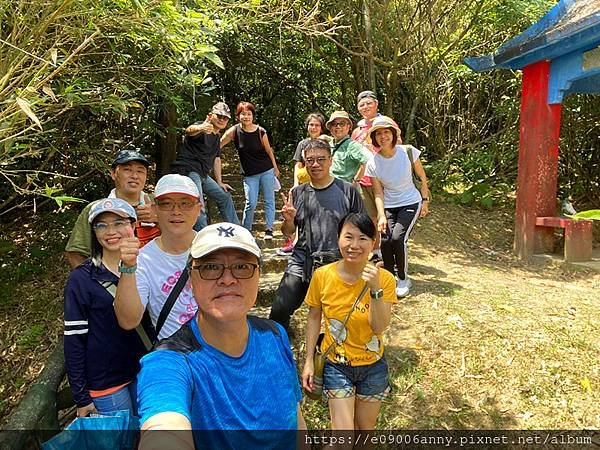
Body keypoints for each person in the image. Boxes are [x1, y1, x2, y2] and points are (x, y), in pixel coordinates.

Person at [137, 223, 305, 450]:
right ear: (190, 279)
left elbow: (295, 417)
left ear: (258, 275)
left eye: (242, 266)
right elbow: (164, 429)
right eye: (211, 267)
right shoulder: (170, 361)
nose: (227, 279)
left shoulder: (275, 335)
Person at [302, 212, 396, 430]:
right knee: (343, 439)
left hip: (373, 366)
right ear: (338, 238)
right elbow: (314, 316)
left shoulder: (385, 280)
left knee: (365, 432)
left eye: (363, 238)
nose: (355, 245)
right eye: (348, 237)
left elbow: (379, 327)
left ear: (374, 243)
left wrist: (375, 290)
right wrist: (308, 360)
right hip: (336, 366)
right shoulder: (323, 275)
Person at [268, 139, 365, 333]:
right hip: (303, 260)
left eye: (321, 159)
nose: (315, 164)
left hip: (337, 261)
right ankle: (281, 350)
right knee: (279, 310)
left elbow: (362, 231)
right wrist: (288, 220)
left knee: (341, 318)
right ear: (304, 163)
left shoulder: (348, 191)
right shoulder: (297, 193)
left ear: (331, 161)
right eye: (310, 160)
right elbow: (288, 233)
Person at [64, 198, 147, 417]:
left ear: (134, 225)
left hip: (144, 370)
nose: (110, 231)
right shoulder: (82, 279)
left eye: (119, 223)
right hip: (106, 380)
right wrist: (81, 396)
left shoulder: (147, 266)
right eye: (101, 225)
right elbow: (74, 337)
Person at [114, 174, 202, 340]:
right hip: (173, 354)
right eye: (166, 204)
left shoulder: (213, 248)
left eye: (185, 204)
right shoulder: (143, 260)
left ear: (198, 209)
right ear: (154, 210)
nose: (176, 212)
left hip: (218, 348)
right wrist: (128, 267)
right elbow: (128, 321)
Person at [365, 116, 430, 297]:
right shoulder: (373, 162)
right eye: (378, 134)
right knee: (385, 240)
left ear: (393, 134)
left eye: (386, 132)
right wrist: (381, 215)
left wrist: (425, 200)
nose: (383, 136)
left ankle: (403, 278)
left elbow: (422, 177)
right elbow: (378, 192)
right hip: (389, 205)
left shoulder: (408, 152)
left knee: (398, 238)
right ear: (374, 138)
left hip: (410, 201)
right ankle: (389, 278)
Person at [65, 150, 160, 269]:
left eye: (140, 171)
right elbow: (76, 253)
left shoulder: (159, 203)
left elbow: (183, 240)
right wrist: (92, 284)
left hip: (158, 280)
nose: (135, 176)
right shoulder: (96, 209)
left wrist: (159, 219)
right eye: (127, 170)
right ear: (113, 174)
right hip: (113, 281)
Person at [171, 102, 239, 231]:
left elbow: (217, 159)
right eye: (219, 116)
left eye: (225, 118)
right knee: (198, 205)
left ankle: (236, 231)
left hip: (203, 174)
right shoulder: (202, 128)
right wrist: (201, 127)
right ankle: (203, 236)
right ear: (210, 115)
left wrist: (220, 182)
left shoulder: (216, 137)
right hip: (189, 170)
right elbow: (189, 131)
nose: (221, 119)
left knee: (224, 196)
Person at [220, 101, 280, 239]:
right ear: (238, 116)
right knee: (250, 202)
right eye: (243, 114)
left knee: (269, 200)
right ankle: (246, 230)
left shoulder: (260, 131)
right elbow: (218, 145)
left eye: (249, 114)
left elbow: (268, 150)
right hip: (249, 174)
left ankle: (269, 229)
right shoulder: (234, 131)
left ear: (253, 116)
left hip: (266, 170)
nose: (246, 117)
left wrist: (275, 167)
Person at [351, 91, 399, 261]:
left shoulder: (387, 123)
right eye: (362, 105)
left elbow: (398, 146)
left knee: (387, 215)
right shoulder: (357, 131)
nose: (365, 107)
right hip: (364, 180)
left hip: (385, 179)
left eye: (368, 103)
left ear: (376, 103)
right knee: (371, 216)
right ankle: (377, 250)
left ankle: (392, 248)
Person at [277, 112, 327, 256]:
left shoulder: (325, 143)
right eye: (311, 124)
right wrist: (295, 183)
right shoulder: (302, 144)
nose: (313, 127)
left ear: (321, 127)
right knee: (296, 212)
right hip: (304, 182)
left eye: (317, 125)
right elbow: (298, 165)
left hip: (319, 182)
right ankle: (293, 242)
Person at [326, 111, 369, 184]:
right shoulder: (329, 145)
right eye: (334, 124)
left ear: (348, 126)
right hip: (328, 186)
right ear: (330, 128)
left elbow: (366, 162)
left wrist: (356, 180)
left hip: (343, 189)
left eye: (342, 124)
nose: (338, 126)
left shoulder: (353, 146)